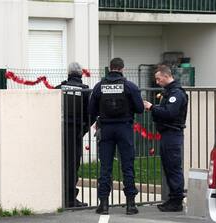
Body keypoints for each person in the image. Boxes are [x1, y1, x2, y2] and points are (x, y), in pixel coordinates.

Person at [89, 57, 144, 215]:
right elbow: (140, 108)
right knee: (127, 166)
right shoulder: (129, 86)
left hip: (106, 129)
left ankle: (104, 205)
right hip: (124, 129)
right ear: (122, 69)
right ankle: (131, 205)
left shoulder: (99, 86)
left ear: (110, 68)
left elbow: (91, 110)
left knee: (105, 167)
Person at [143, 65, 188, 212]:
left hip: (172, 134)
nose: (157, 82)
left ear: (166, 76)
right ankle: (173, 198)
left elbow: (170, 113)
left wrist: (152, 108)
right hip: (167, 134)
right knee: (168, 167)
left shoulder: (177, 93)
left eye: (158, 78)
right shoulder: (169, 92)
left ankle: (176, 201)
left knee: (173, 168)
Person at [56, 62, 90, 207]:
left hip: (60, 131)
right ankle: (70, 198)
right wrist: (83, 131)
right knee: (72, 164)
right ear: (81, 74)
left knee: (60, 164)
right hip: (75, 131)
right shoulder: (85, 91)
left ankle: (60, 196)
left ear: (68, 74)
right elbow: (90, 114)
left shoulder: (59, 89)